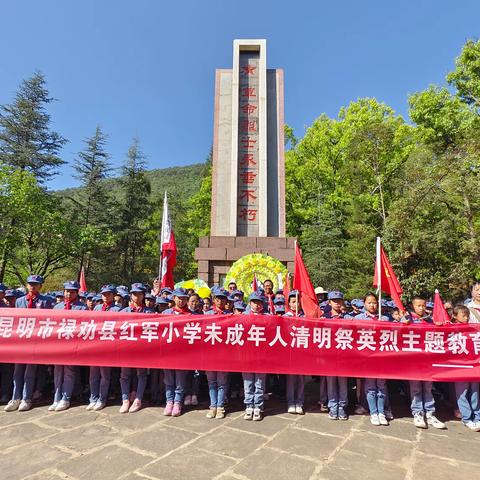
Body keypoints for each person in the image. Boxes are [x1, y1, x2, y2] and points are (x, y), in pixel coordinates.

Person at [5, 275, 52, 412]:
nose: (33, 286)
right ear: (27, 285)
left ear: (40, 286)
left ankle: (26, 398)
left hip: (35, 342)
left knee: (29, 372)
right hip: (21, 342)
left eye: (35, 284)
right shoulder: (19, 301)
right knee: (17, 372)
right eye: (30, 284)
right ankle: (15, 398)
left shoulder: (46, 301)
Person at [403, 296, 446, 429]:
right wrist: (403, 323)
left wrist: (439, 326)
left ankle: (430, 413)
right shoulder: (408, 319)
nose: (421, 308)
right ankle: (417, 413)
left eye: (423, 305)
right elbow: (399, 330)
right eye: (418, 306)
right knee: (415, 388)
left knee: (427, 387)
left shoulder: (430, 320)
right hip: (414, 361)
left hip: (427, 360)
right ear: (413, 306)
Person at [49, 281, 87, 412]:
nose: (69, 293)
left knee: (69, 372)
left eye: (72, 291)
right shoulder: (57, 307)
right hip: (58, 345)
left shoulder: (82, 308)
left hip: (72, 345)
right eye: (67, 291)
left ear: (77, 293)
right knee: (57, 371)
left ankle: (66, 398)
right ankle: (56, 397)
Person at [354, 293, 390, 426]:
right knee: (370, 387)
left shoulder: (385, 318)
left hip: (381, 359)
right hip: (367, 359)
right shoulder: (358, 319)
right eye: (369, 302)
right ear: (364, 304)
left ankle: (381, 412)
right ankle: (373, 412)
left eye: (374, 302)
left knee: (381, 386)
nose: (372, 305)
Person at [86, 285, 122, 411]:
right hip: (95, 346)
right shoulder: (96, 308)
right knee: (93, 374)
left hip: (107, 346)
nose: (106, 296)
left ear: (113, 295)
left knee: (105, 375)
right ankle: (93, 397)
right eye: (104, 294)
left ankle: (102, 398)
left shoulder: (118, 310)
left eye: (108, 294)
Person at [119, 283, 153, 413]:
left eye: (139, 294)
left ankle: (138, 399)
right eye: (134, 294)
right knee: (125, 375)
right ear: (131, 296)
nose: (137, 297)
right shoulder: (124, 312)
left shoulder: (150, 313)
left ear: (144, 295)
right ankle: (125, 399)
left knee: (141, 374)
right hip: (126, 349)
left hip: (142, 350)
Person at [449, 305, 480, 431]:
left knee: (475, 392)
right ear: (455, 316)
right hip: (459, 366)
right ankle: (467, 418)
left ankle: (477, 416)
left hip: (473, 365)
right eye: (463, 315)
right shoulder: (450, 329)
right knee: (462, 393)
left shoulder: (473, 328)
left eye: (467, 315)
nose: (466, 318)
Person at [162, 288, 190, 417]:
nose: (181, 300)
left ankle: (178, 402)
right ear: (174, 298)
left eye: (184, 298)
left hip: (183, 353)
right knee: (168, 378)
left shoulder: (191, 315)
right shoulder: (166, 313)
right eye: (179, 298)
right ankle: (169, 401)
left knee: (180, 378)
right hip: (168, 352)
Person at [324, 291, 351, 420]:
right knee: (331, 383)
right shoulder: (324, 317)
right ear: (329, 302)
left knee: (343, 383)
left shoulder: (348, 318)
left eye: (339, 300)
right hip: (329, 356)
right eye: (334, 301)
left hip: (344, 356)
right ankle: (332, 406)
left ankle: (342, 407)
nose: (337, 303)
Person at [242, 291, 268, 421]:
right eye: (254, 302)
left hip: (261, 356)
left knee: (259, 382)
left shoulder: (268, 317)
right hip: (246, 355)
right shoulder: (243, 317)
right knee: (248, 382)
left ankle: (258, 406)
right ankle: (248, 406)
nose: (256, 305)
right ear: (249, 303)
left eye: (259, 302)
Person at [204, 287, 229, 419]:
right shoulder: (207, 314)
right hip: (209, 354)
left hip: (223, 354)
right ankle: (212, 406)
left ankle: (220, 406)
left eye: (222, 299)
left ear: (226, 301)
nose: (220, 301)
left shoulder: (230, 316)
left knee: (222, 382)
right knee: (212, 381)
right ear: (214, 300)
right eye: (218, 298)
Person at [283, 290, 305, 415]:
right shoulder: (285, 317)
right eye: (293, 302)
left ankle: (300, 402)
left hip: (302, 353)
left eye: (298, 301)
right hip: (290, 353)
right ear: (289, 304)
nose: (296, 304)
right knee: (291, 379)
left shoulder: (305, 317)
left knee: (301, 379)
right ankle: (291, 402)